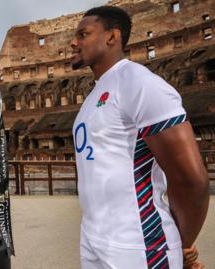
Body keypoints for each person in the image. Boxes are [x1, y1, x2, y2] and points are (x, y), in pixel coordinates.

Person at [70, 6, 209, 269]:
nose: (73, 43)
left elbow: (192, 179)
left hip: (138, 243)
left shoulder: (139, 83)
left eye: (83, 34)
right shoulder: (93, 97)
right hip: (94, 237)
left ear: (112, 36)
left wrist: (182, 244)